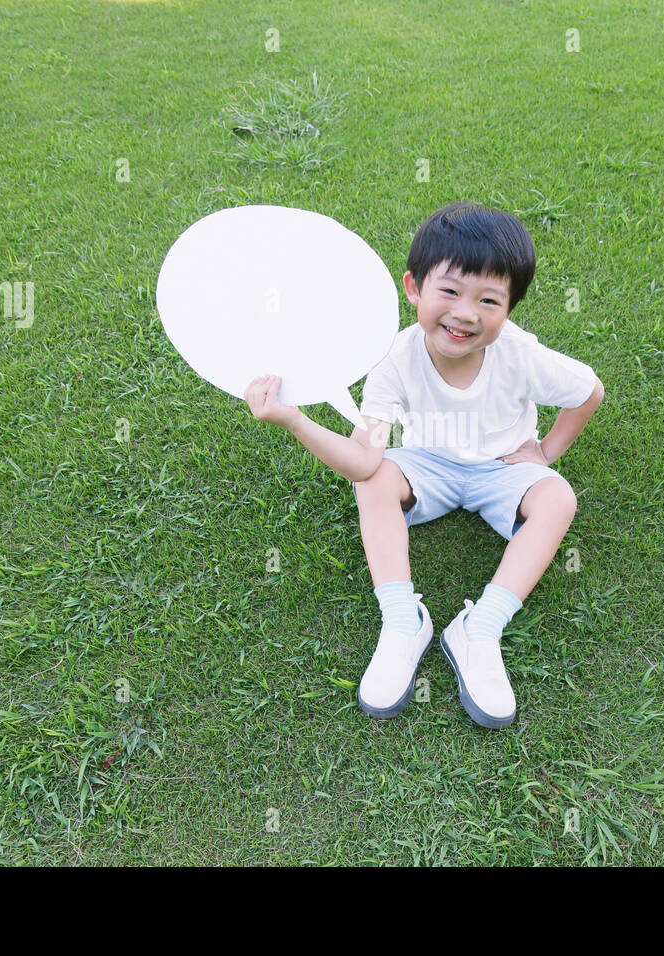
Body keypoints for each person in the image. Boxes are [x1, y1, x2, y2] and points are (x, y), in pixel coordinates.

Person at [244, 200, 604, 728]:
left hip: (502, 469)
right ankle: (402, 622)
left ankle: (480, 628)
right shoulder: (394, 359)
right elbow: (364, 460)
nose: (465, 313)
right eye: (450, 291)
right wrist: (296, 421)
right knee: (373, 482)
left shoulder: (519, 354)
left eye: (488, 300)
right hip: (427, 466)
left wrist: (545, 452)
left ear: (510, 310)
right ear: (413, 288)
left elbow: (588, 391)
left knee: (558, 497)